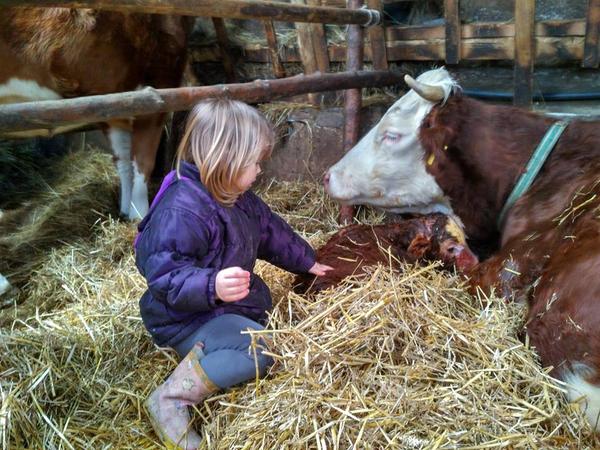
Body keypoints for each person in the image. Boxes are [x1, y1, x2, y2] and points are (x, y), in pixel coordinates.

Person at [134, 98, 332, 449]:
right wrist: (211, 285)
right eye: (254, 162)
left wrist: (306, 261)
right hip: (185, 319)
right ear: (224, 160)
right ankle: (170, 399)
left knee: (269, 332)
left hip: (221, 308)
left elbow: (269, 231)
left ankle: (212, 354)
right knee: (261, 350)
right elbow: (164, 277)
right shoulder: (182, 210)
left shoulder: (236, 195)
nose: (259, 170)